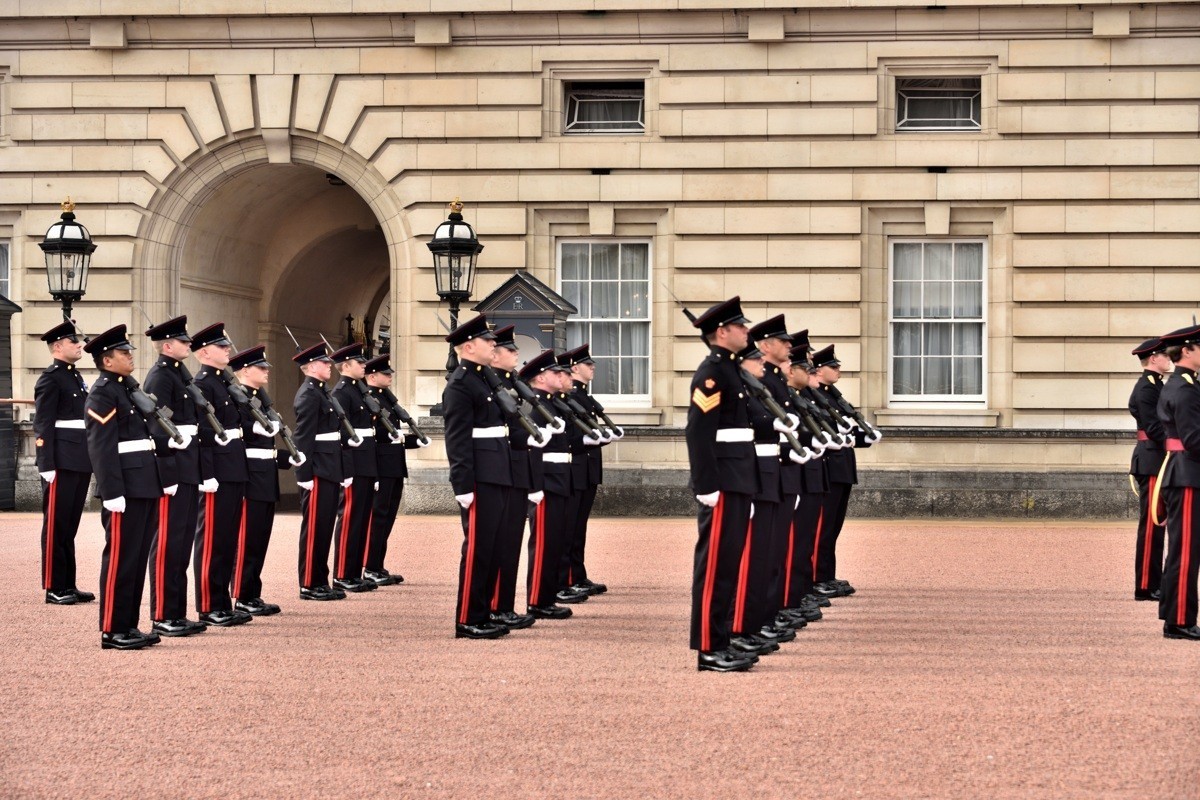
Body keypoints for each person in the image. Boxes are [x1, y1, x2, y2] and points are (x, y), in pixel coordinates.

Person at [685, 297, 759, 673]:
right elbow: (698, 432)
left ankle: (722, 639)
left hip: (738, 478)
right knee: (714, 566)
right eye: (740, 326)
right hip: (723, 482)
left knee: (728, 565)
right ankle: (709, 648)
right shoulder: (712, 373)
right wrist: (706, 484)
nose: (747, 330)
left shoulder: (731, 370)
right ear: (722, 332)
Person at [84, 325, 165, 650]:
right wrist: (111, 491)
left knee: (136, 558)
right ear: (107, 360)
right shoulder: (103, 393)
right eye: (123, 353)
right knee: (120, 559)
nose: (130, 356)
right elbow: (101, 447)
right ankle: (112, 629)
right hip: (125, 489)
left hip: (144, 483)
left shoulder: (127, 389)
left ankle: (129, 625)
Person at [442, 313, 511, 639]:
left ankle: (482, 613)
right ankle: (468, 618)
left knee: (492, 547)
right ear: (469, 346)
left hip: (497, 471)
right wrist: (463, 484)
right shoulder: (460, 384)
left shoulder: (484, 379)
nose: (493, 345)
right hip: (479, 476)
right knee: (478, 548)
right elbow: (457, 439)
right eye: (487, 340)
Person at [142, 315, 207, 637]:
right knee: (168, 542)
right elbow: (155, 426)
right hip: (174, 466)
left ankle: (177, 612)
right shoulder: (159, 377)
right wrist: (166, 471)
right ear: (167, 346)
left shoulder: (180, 374)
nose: (188, 344)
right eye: (183, 341)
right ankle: (163, 614)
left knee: (181, 544)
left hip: (189, 463)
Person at [230, 345, 301, 616]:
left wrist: (286, 458)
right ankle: (241, 594)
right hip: (250, 477)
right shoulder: (237, 397)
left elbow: (265, 447)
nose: (267, 371)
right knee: (247, 540)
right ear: (245, 370)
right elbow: (238, 435)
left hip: (265, 476)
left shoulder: (260, 398)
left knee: (259, 540)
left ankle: (252, 592)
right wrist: (253, 427)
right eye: (261, 367)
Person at [190, 322, 252, 627]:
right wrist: (207, 473)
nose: (228, 349)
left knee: (227, 540)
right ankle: (208, 605)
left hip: (234, 466)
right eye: (221, 346)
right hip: (218, 471)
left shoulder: (224, 383)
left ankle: (222, 602)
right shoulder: (202, 385)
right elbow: (203, 434)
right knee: (213, 539)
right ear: (204, 352)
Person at [34, 320, 94, 606]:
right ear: (58, 347)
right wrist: (45, 462)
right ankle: (53, 586)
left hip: (79, 458)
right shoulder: (51, 379)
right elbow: (43, 423)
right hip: (60, 461)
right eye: (73, 342)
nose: (79, 345)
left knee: (69, 526)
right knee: (56, 526)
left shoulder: (74, 376)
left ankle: (68, 583)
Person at [810, 344, 876, 598]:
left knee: (833, 528)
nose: (838, 369)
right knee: (822, 528)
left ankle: (827, 574)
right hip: (828, 469)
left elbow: (844, 432)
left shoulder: (833, 396)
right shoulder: (815, 396)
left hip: (842, 469)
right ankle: (817, 577)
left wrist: (863, 436)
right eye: (833, 366)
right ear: (819, 370)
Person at [487, 326, 539, 631]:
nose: (516, 353)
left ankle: (505, 604)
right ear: (495, 355)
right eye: (510, 350)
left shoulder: (513, 383)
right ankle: (496, 606)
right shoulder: (492, 385)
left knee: (511, 543)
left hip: (518, 468)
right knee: (501, 542)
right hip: (503, 466)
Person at [362, 353, 428, 587]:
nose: (390, 376)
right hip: (381, 466)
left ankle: (377, 565)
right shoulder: (369, 399)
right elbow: (373, 437)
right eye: (385, 373)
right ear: (372, 376)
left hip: (394, 466)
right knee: (377, 518)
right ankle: (369, 566)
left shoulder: (387, 399)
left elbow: (394, 438)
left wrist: (414, 441)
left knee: (387, 518)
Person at [521, 350, 575, 620]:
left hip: (559, 479)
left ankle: (547, 597)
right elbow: (532, 450)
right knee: (543, 544)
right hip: (546, 482)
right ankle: (537, 601)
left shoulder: (550, 404)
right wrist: (535, 485)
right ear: (541, 378)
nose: (561, 375)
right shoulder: (537, 407)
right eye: (555, 372)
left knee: (554, 542)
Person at [292, 342, 348, 601]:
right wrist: (303, 475)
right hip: (317, 470)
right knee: (314, 528)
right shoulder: (308, 395)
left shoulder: (322, 392)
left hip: (329, 467)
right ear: (312, 366)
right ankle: (309, 583)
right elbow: (303, 438)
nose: (329, 366)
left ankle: (320, 580)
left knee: (324, 527)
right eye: (325, 362)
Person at [1155, 325, 1200, 640]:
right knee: (1185, 551)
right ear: (1186, 350)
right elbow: (1194, 440)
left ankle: (1174, 614)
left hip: (1184, 471)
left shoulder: (1184, 384)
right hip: (1187, 474)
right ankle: (1179, 620)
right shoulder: (1184, 389)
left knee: (1182, 549)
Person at [329, 343, 378, 594]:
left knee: (361, 519)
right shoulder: (340, 393)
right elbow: (342, 436)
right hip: (354, 464)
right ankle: (343, 573)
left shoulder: (359, 390)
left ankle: (354, 572)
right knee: (349, 518)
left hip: (366, 462)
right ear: (346, 365)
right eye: (360, 362)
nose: (364, 365)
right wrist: (346, 470)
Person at [1128, 337, 1171, 602]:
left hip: (1158, 459)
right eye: (1165, 355)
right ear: (1154, 358)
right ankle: (1145, 585)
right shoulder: (1146, 388)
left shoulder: (1155, 385)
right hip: (1153, 460)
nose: (1169, 359)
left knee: (1159, 525)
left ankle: (1154, 583)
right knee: (1153, 525)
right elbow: (1154, 428)